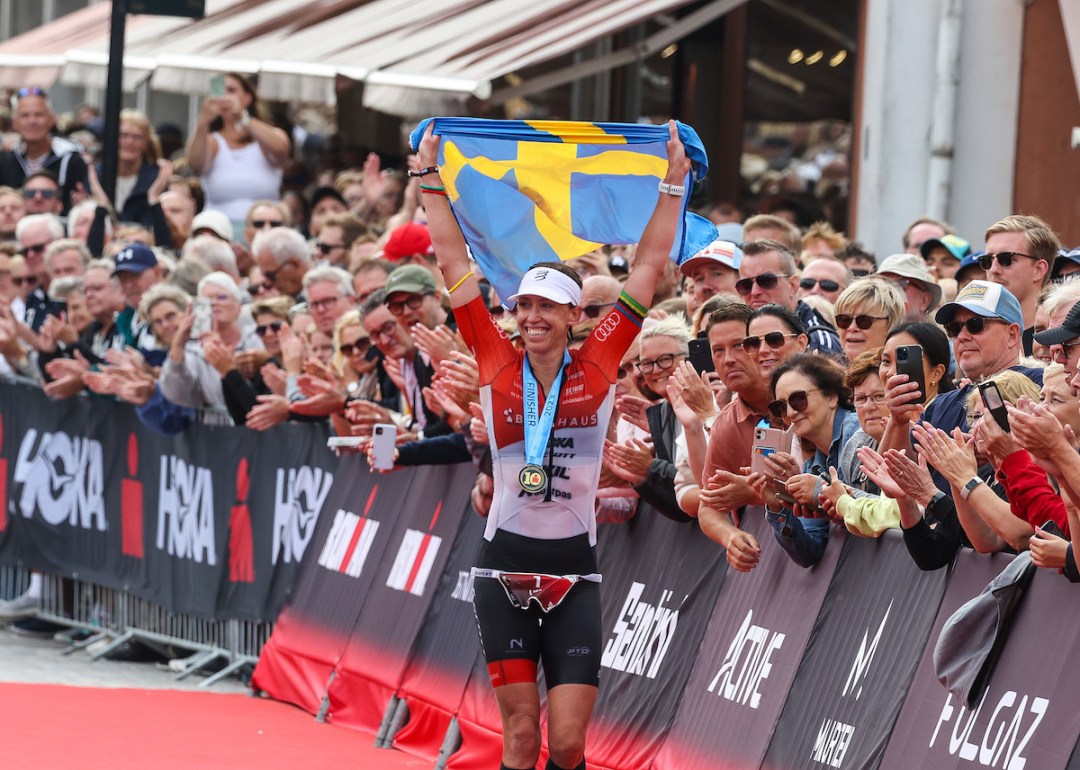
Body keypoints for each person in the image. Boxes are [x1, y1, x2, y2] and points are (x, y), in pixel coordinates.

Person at [417, 120, 688, 770]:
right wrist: (427, 179)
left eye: (548, 307)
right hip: (503, 567)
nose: (532, 317)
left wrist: (673, 184)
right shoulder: (491, 357)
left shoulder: (597, 363)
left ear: (573, 318)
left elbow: (648, 268)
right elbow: (455, 263)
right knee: (518, 736)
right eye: (523, 307)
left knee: (567, 743)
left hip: (575, 572)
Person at [751, 352, 859, 567]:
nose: (790, 412)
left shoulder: (859, 434)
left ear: (831, 397)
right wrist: (777, 505)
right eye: (780, 407)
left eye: (798, 399)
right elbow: (808, 554)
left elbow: (879, 509)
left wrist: (818, 491)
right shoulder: (812, 465)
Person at [185, 73, 289, 225]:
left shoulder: (270, 134)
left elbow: (280, 150)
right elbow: (196, 165)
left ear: (247, 98)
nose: (225, 97)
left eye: (231, 90)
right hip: (219, 227)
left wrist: (243, 117)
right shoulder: (212, 140)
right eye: (220, 92)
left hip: (263, 226)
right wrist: (203, 121)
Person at [736, 239, 843, 357]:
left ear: (793, 285)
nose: (754, 292)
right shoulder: (736, 337)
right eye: (745, 285)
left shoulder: (818, 341)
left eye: (766, 281)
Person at [0, 87, 89, 213]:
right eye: (25, 115)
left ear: (51, 119)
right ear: (14, 122)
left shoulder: (71, 161)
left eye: (39, 114)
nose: (32, 121)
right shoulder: (5, 162)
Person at [981, 214, 1059, 357]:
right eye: (987, 261)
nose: (993, 269)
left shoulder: (1061, 338)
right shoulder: (975, 332)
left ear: (1039, 269)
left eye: (1006, 259)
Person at [832, 277, 905, 362]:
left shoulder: (901, 374)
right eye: (844, 320)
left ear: (891, 325)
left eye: (864, 321)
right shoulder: (829, 373)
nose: (852, 328)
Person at [875, 253, 942, 322]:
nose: (887, 293)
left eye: (898, 286)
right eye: (880, 287)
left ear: (925, 300)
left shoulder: (942, 332)